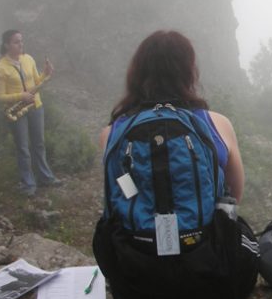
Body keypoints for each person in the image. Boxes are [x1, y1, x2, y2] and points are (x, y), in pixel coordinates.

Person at [100, 30, 244, 202]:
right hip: (206, 228)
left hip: (134, 229)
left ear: (137, 72)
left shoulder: (111, 133)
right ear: (189, 72)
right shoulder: (217, 124)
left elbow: (118, 190)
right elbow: (235, 194)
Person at [0, 29, 59, 196]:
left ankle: (46, 178)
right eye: (16, 42)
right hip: (17, 110)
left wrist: (46, 73)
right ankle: (28, 184)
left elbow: (36, 81)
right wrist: (21, 96)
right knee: (23, 148)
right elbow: (0, 96)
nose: (21, 44)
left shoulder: (28, 59)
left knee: (39, 144)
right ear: (7, 45)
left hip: (36, 106)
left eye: (21, 41)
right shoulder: (0, 68)